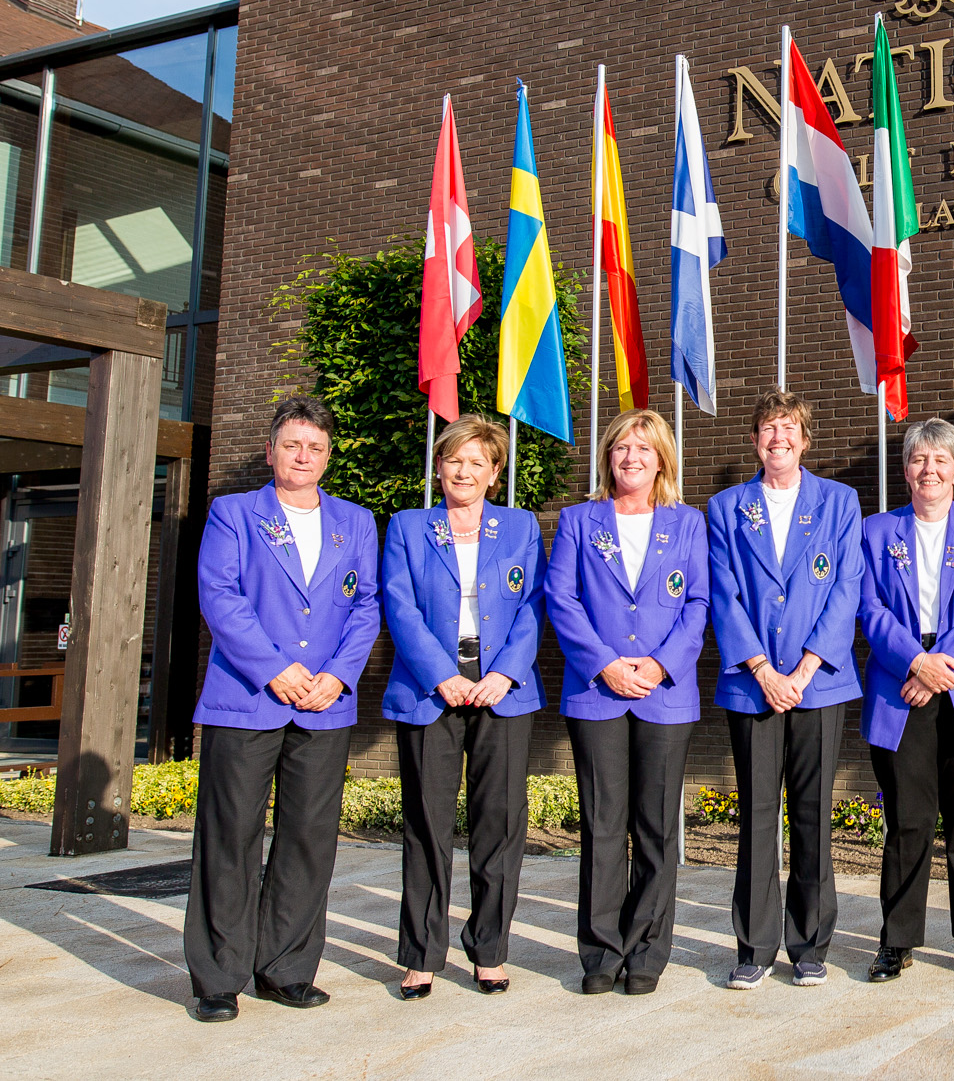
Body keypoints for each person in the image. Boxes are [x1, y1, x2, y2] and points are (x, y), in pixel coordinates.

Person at [184, 395, 383, 1023]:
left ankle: (286, 969)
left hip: (324, 705)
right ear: (271, 451)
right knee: (230, 838)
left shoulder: (356, 521)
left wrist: (339, 675)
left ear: (328, 457)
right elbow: (220, 596)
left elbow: (366, 606)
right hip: (248, 700)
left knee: (308, 840)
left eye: (315, 447)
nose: (303, 456)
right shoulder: (233, 513)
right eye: (292, 444)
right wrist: (275, 669)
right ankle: (219, 977)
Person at [544, 408, 707, 997]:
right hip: (597, 692)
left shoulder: (688, 523)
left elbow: (698, 603)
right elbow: (560, 598)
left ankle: (646, 951)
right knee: (603, 826)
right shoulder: (579, 520)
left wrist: (659, 664)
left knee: (656, 828)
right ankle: (601, 952)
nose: (631, 458)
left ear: (661, 458)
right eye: (620, 448)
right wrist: (606, 664)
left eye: (643, 448)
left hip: (665, 693)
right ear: (607, 457)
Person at [381, 414, 545, 999]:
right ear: (439, 466)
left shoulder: (522, 526)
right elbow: (399, 606)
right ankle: (422, 954)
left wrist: (504, 673)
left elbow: (534, 605)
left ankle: (490, 950)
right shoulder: (408, 526)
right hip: (432, 690)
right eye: (454, 460)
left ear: (495, 472)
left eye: (478, 462)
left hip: (503, 690)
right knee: (427, 825)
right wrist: (442, 675)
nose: (465, 471)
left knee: (499, 825)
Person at [707, 390, 863, 989]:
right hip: (753, 687)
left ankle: (810, 944)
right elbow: (724, 593)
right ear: (755, 441)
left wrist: (801, 671)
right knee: (756, 815)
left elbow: (845, 588)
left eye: (789, 427)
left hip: (817, 686)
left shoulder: (839, 502)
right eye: (769, 428)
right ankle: (753, 947)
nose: (779, 437)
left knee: (812, 813)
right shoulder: (726, 507)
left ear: (805, 439)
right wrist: (763, 670)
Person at [858, 417, 954, 984]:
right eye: (919, 459)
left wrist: (938, 666)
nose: (929, 469)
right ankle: (897, 940)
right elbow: (869, 607)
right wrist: (915, 661)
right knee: (908, 818)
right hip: (900, 682)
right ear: (906, 471)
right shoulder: (876, 531)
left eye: (940, 460)